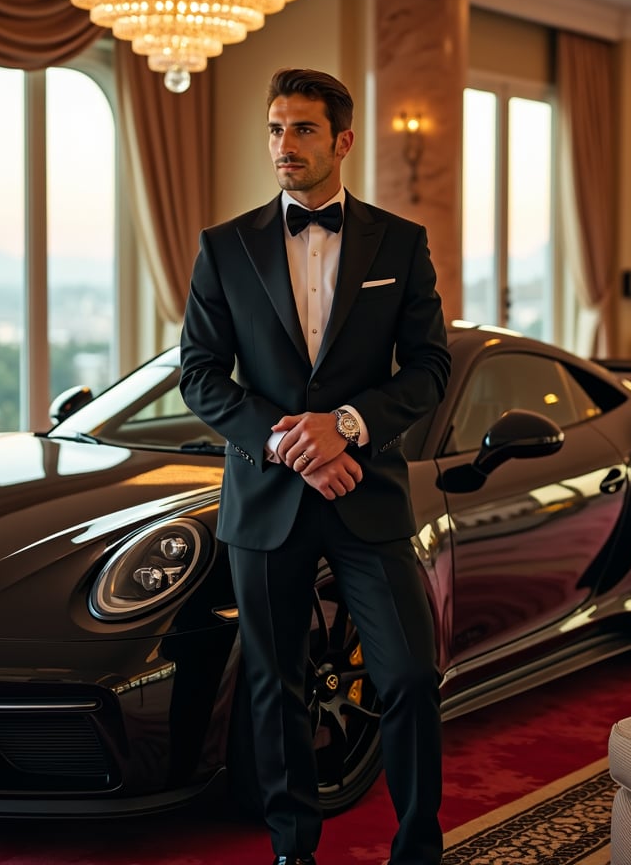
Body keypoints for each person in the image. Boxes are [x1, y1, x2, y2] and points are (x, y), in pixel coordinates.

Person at [180, 67, 450, 865]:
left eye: (301, 129)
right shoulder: (223, 248)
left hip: (368, 497)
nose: (283, 145)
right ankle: (294, 850)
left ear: (342, 140)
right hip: (265, 502)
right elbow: (198, 373)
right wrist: (290, 443)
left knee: (407, 678)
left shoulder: (400, 244)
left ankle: (417, 850)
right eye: (273, 129)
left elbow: (429, 368)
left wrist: (346, 427)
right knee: (277, 690)